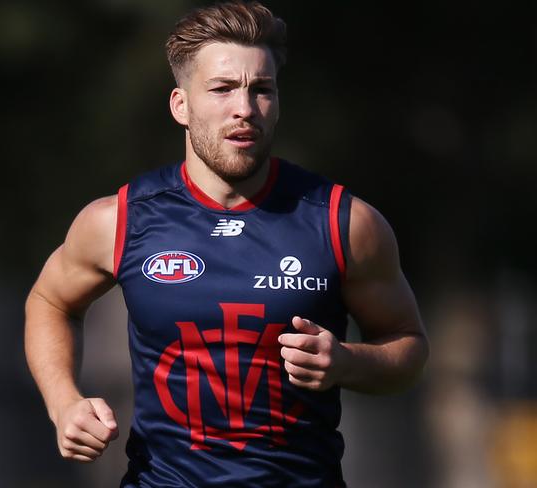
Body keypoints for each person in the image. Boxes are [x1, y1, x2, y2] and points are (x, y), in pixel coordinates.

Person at [24, 2, 429, 487]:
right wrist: (64, 401)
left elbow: (409, 348)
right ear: (181, 105)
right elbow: (50, 301)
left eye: (262, 90)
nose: (244, 109)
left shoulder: (344, 222)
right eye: (222, 89)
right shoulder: (118, 220)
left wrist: (346, 361)